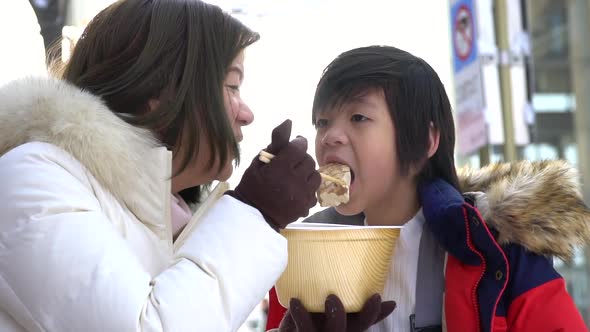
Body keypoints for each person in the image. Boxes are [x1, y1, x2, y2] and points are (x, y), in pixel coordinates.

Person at [0, 0, 320, 331]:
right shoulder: (32, 180)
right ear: (160, 91)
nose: (246, 113)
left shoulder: (168, 215)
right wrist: (257, 213)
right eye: (232, 87)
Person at [266, 45, 590, 332]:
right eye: (323, 122)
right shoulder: (303, 250)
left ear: (426, 140)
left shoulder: (496, 246)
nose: (330, 136)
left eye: (359, 117)